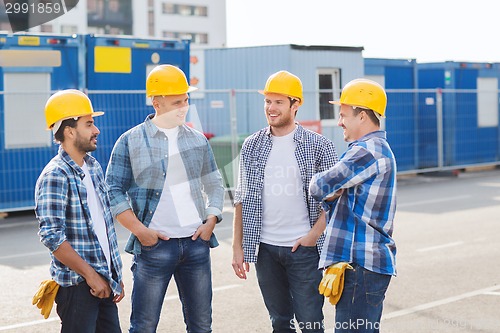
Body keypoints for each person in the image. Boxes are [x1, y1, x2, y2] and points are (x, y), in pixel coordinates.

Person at [106, 64, 225, 333]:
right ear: (156, 102)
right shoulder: (130, 141)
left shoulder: (198, 140)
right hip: (153, 248)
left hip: (196, 245)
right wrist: (140, 231)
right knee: (144, 327)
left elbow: (215, 183)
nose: (184, 107)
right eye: (176, 102)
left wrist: (211, 219)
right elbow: (112, 189)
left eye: (186, 100)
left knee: (202, 326)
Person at [232, 70, 339, 333]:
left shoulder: (319, 146)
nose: (271, 108)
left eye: (278, 102)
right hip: (265, 250)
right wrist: (238, 246)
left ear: (296, 104)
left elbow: (334, 201)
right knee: (280, 323)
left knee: (311, 323)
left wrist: (313, 236)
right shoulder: (251, 145)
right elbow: (241, 198)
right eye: (268, 101)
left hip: (303, 250)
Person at [309, 78, 397, 333]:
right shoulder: (371, 149)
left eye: (343, 114)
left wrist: (330, 188)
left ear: (362, 116)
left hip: (361, 265)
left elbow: (319, 187)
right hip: (363, 265)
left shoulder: (367, 152)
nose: (339, 122)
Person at [34, 89, 125, 333]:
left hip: (103, 281)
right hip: (77, 287)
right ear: (70, 131)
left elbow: (103, 226)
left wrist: (114, 275)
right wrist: (91, 275)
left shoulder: (93, 167)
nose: (96, 130)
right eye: (89, 123)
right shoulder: (55, 175)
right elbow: (52, 237)